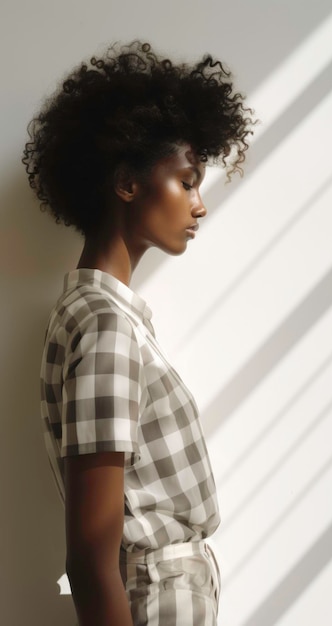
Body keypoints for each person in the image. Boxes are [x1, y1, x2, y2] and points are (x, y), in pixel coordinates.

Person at [23, 40, 254, 626]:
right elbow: (90, 557)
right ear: (127, 184)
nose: (199, 205)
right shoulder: (105, 328)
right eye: (187, 180)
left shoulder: (111, 320)